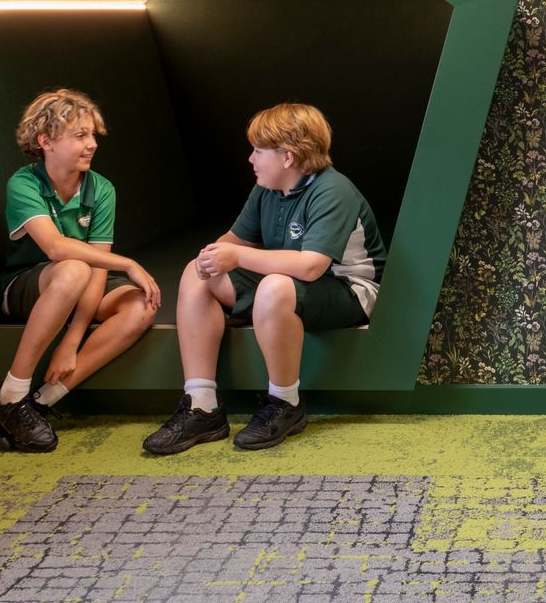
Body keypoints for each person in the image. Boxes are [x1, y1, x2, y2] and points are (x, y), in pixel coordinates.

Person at [143, 103, 386, 455]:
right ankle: (202, 406)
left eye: (258, 151)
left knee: (274, 287)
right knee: (196, 273)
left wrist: (237, 257)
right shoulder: (267, 188)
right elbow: (233, 240)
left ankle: (286, 403)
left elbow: (311, 267)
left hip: (348, 290)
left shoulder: (334, 190)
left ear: (287, 157)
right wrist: (212, 256)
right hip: (289, 284)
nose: (250, 159)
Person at [0, 88, 163, 452]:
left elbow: (97, 268)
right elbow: (55, 248)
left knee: (141, 304)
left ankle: (40, 402)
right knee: (73, 267)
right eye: (80, 135)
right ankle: (11, 394)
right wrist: (128, 263)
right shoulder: (23, 183)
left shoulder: (101, 189)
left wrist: (72, 339)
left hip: (79, 282)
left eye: (93, 135)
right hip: (25, 286)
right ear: (46, 141)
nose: (92, 144)